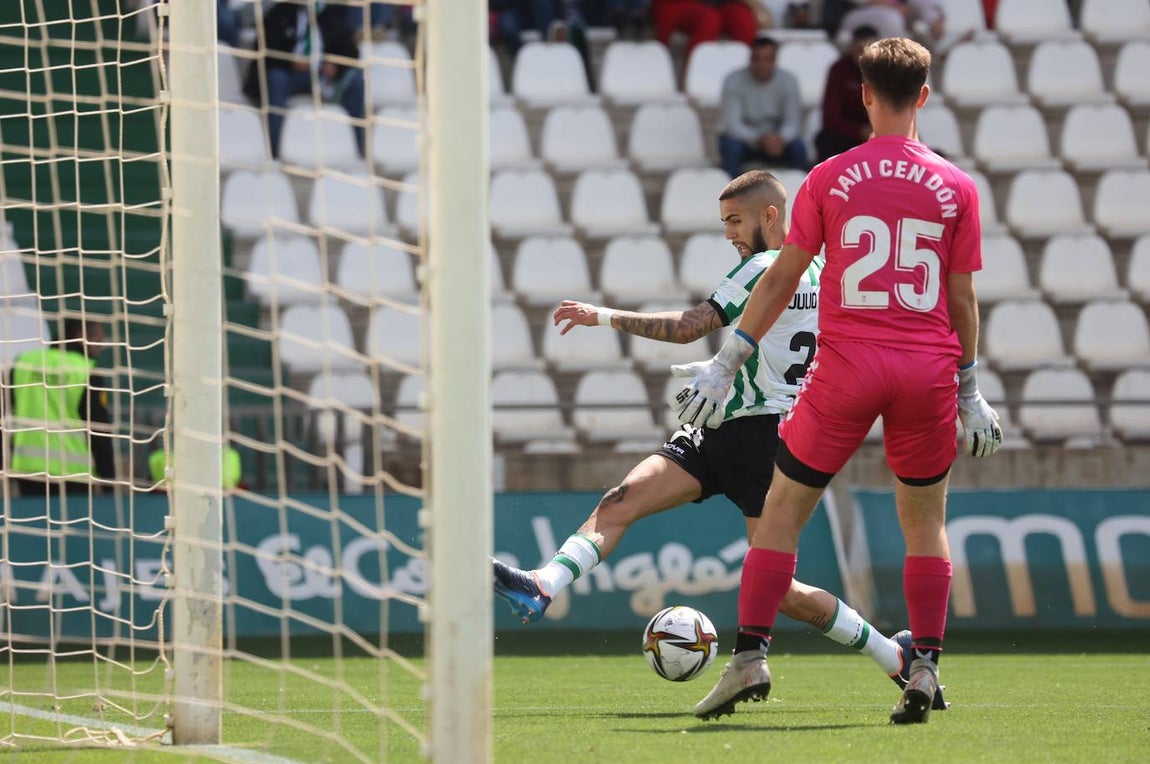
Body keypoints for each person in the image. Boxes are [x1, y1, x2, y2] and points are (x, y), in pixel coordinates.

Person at [492, 170, 946, 704]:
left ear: (770, 216)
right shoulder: (827, 273)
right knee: (622, 499)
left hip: (761, 438)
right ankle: (544, 584)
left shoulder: (763, 266)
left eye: (735, 220)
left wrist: (602, 315)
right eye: (724, 222)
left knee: (783, 593)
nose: (729, 232)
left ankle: (893, 656)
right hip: (724, 424)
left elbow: (689, 324)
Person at [671, 37, 1001, 724]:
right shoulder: (958, 187)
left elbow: (784, 276)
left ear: (864, 95)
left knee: (783, 513)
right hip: (926, 369)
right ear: (926, 96)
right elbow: (962, 299)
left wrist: (728, 358)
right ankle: (925, 667)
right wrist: (969, 387)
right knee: (924, 524)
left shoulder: (827, 177)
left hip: (848, 366)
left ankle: (749, 659)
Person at [242, 1, 367, 160]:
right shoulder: (281, 13)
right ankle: (274, 152)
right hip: (290, 74)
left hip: (322, 76)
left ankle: (358, 151)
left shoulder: (331, 15)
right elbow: (264, 49)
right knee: (277, 79)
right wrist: (290, 61)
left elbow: (351, 52)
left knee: (356, 81)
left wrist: (335, 66)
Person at [5, 317, 115, 497]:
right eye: (98, 341)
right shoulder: (85, 370)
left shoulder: (23, 362)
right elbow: (99, 430)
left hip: (26, 470)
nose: (99, 348)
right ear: (80, 335)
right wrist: (108, 482)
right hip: (73, 473)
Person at [717, 35, 809, 177]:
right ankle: (730, 196)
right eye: (757, 59)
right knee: (731, 147)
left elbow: (793, 122)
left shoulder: (789, 81)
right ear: (750, 60)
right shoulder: (733, 81)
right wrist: (760, 139)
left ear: (775, 61)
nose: (762, 65)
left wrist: (780, 138)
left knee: (798, 148)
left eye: (767, 59)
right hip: (746, 141)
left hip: (778, 140)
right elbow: (732, 125)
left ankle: (804, 195)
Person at [815, 24, 877, 162]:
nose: (863, 56)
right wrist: (859, 131)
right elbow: (830, 117)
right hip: (846, 134)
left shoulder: (886, 72)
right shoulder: (839, 70)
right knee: (825, 138)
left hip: (879, 133)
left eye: (868, 52)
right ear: (852, 47)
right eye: (859, 50)